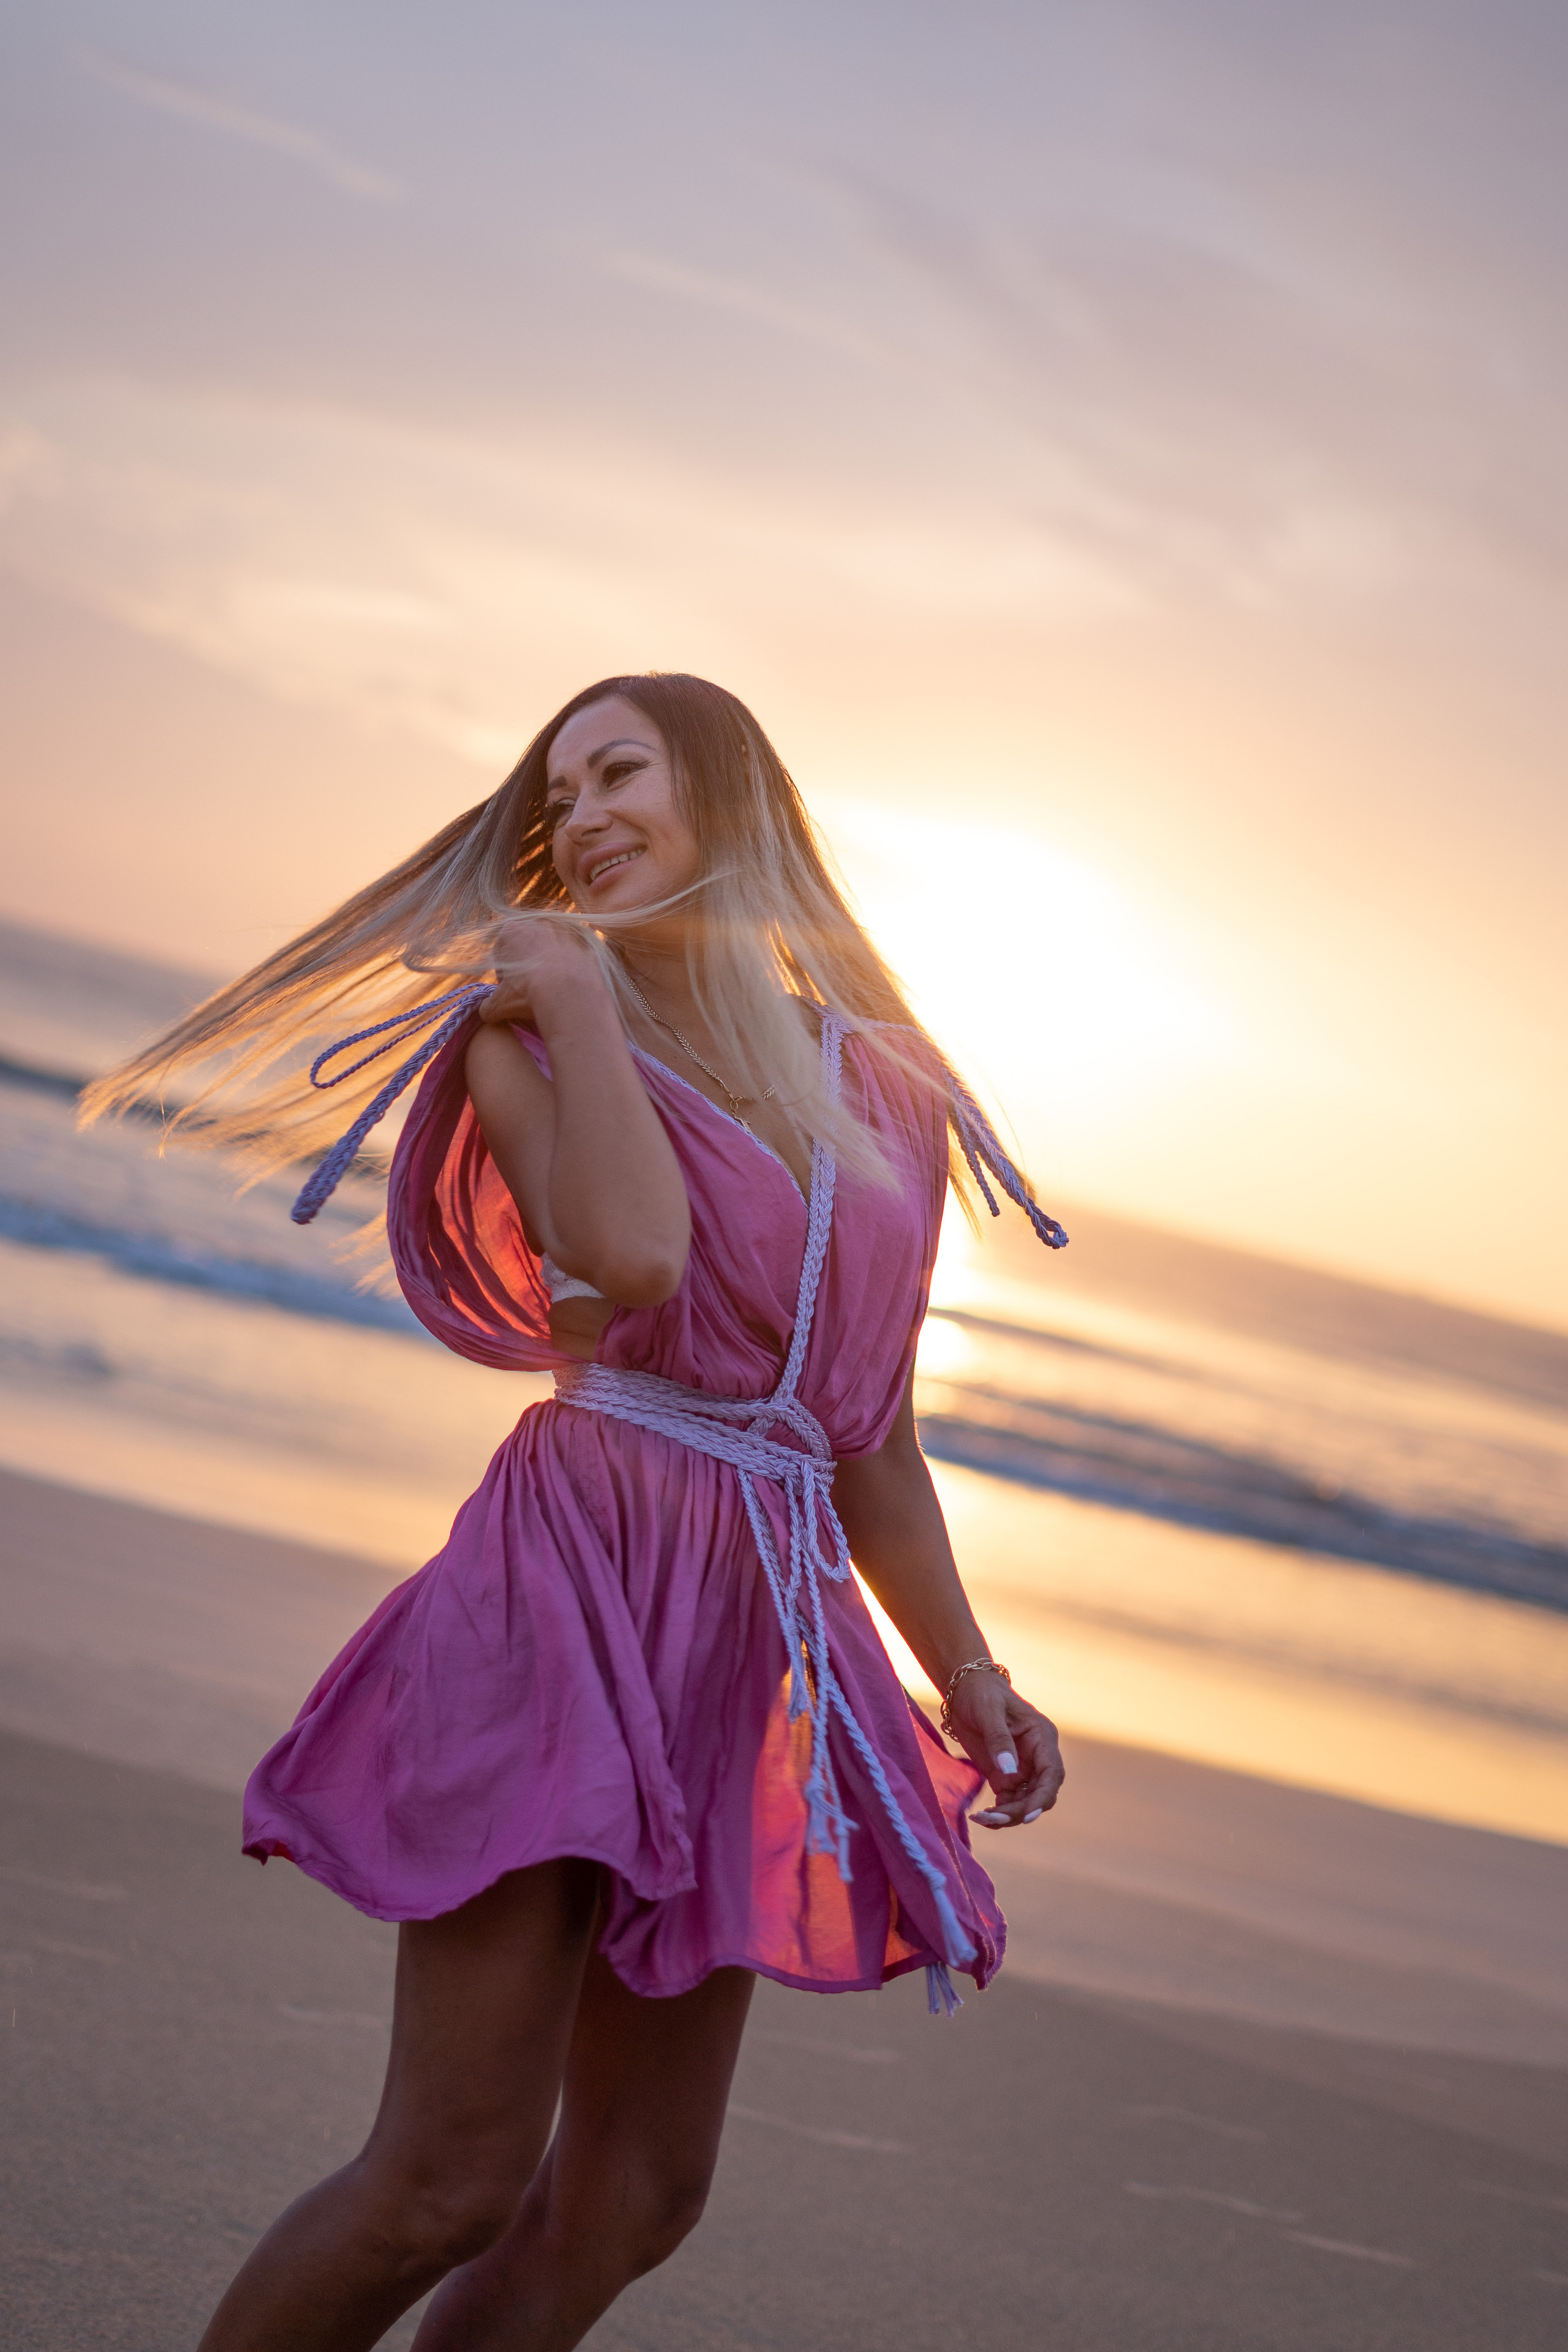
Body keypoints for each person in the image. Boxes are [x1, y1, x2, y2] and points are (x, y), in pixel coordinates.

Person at [85, 672, 1067, 2352]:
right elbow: (638, 1259)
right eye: (560, 800)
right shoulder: (524, 1034)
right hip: (578, 1579)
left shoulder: (887, 1083)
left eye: (622, 773)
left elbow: (868, 1437)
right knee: (450, 2179)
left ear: (731, 798)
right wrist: (588, 1005)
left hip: (762, 1621)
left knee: (638, 2197)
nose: (586, 816)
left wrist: (966, 1671)